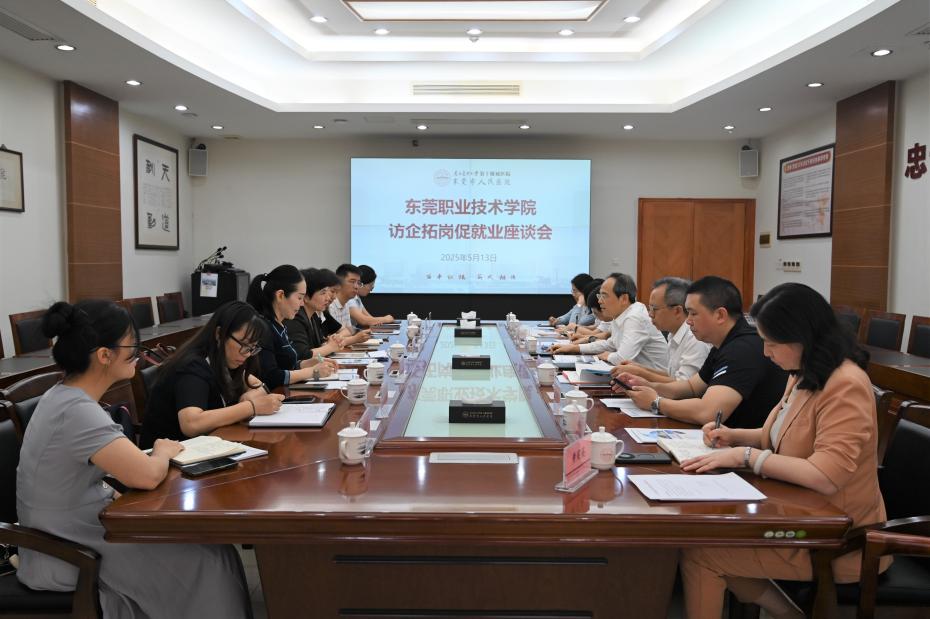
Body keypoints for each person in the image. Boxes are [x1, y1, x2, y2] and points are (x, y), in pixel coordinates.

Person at [16, 300, 250, 618]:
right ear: (104, 355)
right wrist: (163, 450)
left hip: (73, 530)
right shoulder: (77, 411)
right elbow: (148, 476)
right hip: (68, 549)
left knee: (212, 550)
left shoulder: (64, 396)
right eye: (132, 346)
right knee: (209, 560)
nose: (138, 354)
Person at [678, 283, 890, 619]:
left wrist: (746, 457)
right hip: (798, 512)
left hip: (838, 536)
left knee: (703, 554)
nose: (765, 353)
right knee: (703, 543)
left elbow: (825, 475)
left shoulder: (845, 384)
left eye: (772, 343)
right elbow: (776, 436)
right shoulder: (803, 372)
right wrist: (733, 436)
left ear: (802, 337)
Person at [618, 276, 787, 428]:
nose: (688, 321)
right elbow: (691, 387)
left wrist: (656, 402)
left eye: (693, 314)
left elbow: (708, 412)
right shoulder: (723, 344)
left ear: (720, 315)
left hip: (744, 444)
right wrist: (646, 385)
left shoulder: (742, 349)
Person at [140, 301, 285, 448]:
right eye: (244, 344)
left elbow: (258, 385)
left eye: (252, 348)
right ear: (219, 334)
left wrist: (250, 396)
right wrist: (250, 407)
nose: (247, 354)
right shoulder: (192, 366)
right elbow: (191, 424)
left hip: (202, 447)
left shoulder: (226, 358)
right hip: (167, 455)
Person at [551, 273, 668, 370]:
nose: (599, 301)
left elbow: (622, 359)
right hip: (636, 378)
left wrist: (608, 356)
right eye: (599, 296)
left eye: (604, 296)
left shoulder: (635, 317)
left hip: (656, 385)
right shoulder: (621, 315)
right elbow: (610, 344)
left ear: (624, 299)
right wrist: (573, 348)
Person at [247, 264, 336, 390]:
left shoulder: (279, 325)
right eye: (299, 297)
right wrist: (312, 372)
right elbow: (271, 376)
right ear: (280, 295)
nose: (302, 303)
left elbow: (286, 365)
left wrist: (309, 363)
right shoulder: (263, 327)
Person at [611, 276, 710, 382]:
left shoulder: (695, 338)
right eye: (649, 308)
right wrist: (639, 368)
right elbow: (672, 375)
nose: (650, 314)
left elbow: (683, 385)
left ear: (677, 311)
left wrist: (640, 373)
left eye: (654, 309)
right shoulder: (673, 334)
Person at [287, 268, 370, 360]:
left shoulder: (313, 316)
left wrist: (330, 342)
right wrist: (331, 346)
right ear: (306, 297)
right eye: (323, 293)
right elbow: (303, 355)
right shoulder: (296, 317)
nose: (328, 298)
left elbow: (321, 343)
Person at [329, 263, 364, 335]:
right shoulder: (330, 305)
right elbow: (334, 338)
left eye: (358, 283)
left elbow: (349, 330)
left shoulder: (346, 303)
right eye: (352, 282)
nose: (356, 287)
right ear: (339, 282)